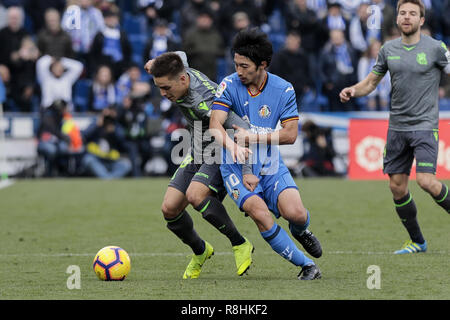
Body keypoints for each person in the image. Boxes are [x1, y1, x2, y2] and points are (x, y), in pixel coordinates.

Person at [209, 28, 322, 280]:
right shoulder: (229, 84)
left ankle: (301, 231)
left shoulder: (284, 90)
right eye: (236, 64)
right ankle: (307, 266)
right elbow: (215, 125)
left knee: (297, 214)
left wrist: (252, 136)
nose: (238, 71)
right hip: (236, 168)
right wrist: (233, 147)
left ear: (262, 65)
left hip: (270, 164)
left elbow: (290, 134)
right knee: (260, 214)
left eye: (244, 66)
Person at [339, 0, 450, 254]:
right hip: (397, 127)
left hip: (424, 125)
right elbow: (371, 82)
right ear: (397, 19)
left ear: (421, 20)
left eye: (413, 13)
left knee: (426, 181)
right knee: (397, 187)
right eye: (403, 13)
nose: (407, 17)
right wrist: (353, 90)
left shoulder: (435, 48)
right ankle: (418, 241)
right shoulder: (388, 49)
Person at [145, 51, 254, 279]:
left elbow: (242, 127)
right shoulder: (179, 69)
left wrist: (246, 170)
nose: (163, 94)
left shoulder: (206, 101)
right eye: (159, 88)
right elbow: (180, 55)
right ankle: (201, 251)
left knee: (196, 196)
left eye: (166, 88)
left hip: (220, 149)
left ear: (183, 79)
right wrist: (156, 63)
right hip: (197, 149)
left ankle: (240, 243)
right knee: (170, 209)